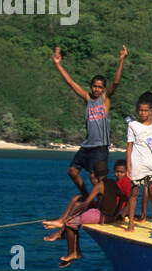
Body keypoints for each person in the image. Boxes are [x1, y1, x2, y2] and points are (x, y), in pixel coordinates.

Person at [53, 43, 126, 196]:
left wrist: (121, 60)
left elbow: (116, 83)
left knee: (97, 178)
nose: (96, 89)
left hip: (100, 146)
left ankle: (103, 204)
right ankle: (87, 197)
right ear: (91, 86)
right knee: (72, 171)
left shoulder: (105, 99)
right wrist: (58, 64)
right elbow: (70, 83)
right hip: (87, 145)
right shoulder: (87, 98)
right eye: (94, 86)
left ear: (103, 89)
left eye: (100, 87)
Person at [42, 159, 110, 267]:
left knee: (75, 212)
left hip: (102, 211)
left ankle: (63, 229)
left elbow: (89, 203)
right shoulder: (100, 183)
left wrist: (69, 217)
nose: (92, 177)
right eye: (91, 174)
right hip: (99, 207)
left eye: (94, 175)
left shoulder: (101, 184)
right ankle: (61, 224)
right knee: (76, 198)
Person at [125, 93, 152, 233]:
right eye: (140, 110)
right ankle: (130, 224)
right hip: (137, 163)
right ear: (137, 110)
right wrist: (128, 166)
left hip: (151, 164)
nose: (143, 113)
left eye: (145, 110)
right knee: (134, 192)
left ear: (150, 111)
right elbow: (129, 147)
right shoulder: (133, 125)